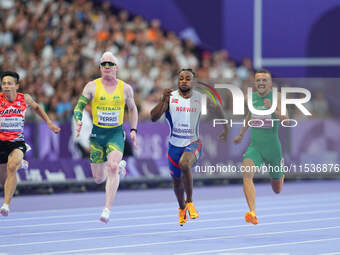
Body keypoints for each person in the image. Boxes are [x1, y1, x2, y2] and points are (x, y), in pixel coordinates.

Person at [150, 69, 228, 226]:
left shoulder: (200, 98)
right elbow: (153, 117)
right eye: (181, 78)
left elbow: (217, 108)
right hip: (174, 146)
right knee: (177, 183)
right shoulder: (170, 98)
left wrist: (225, 128)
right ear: (177, 81)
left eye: (187, 78)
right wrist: (163, 101)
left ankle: (190, 201)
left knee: (185, 163)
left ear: (193, 81)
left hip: (193, 142)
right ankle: (181, 208)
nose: (184, 81)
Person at [73, 52, 138, 223]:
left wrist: (133, 129)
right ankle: (119, 168)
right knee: (98, 178)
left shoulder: (125, 88)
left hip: (115, 134)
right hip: (97, 135)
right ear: (100, 68)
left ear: (116, 67)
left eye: (110, 64)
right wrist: (78, 120)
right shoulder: (91, 87)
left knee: (113, 166)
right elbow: (79, 107)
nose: (107, 67)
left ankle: (106, 209)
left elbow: (132, 109)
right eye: (104, 64)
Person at [0, 71, 60, 216]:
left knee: (12, 166)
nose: (6, 86)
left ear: (17, 85)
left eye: (9, 83)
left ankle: (6, 205)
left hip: (17, 142)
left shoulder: (24, 98)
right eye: (4, 84)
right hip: (1, 142)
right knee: (4, 180)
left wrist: (49, 123)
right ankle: (21, 164)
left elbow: (38, 108)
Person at [233, 69, 287, 225]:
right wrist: (241, 134)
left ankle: (281, 173)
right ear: (255, 83)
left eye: (265, 80)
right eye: (258, 80)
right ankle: (252, 212)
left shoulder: (276, 97)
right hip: (255, 146)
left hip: (272, 148)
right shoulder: (252, 98)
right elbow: (249, 116)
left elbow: (286, 120)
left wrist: (274, 109)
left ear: (270, 83)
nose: (261, 83)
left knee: (277, 189)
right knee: (246, 174)